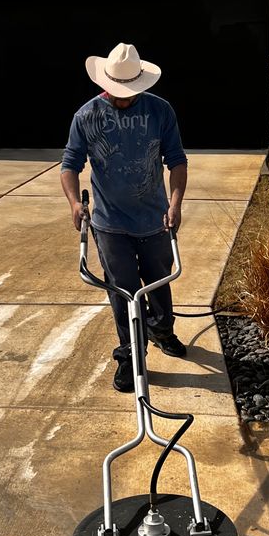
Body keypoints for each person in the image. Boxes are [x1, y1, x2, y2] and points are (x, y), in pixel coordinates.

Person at [61, 42, 188, 392]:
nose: (122, 98)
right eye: (117, 91)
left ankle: (162, 329)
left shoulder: (160, 112)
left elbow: (176, 160)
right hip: (109, 222)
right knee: (123, 289)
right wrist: (74, 203)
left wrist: (175, 202)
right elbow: (69, 165)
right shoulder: (86, 116)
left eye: (128, 92)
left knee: (159, 278)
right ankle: (131, 354)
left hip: (154, 218)